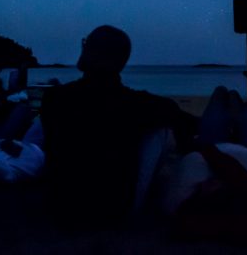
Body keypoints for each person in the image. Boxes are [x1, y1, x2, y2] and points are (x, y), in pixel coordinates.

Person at [39, 25, 198, 226]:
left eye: (87, 43)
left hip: (60, 205)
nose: (83, 47)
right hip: (112, 209)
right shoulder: (138, 105)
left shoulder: (54, 98)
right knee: (161, 131)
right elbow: (185, 122)